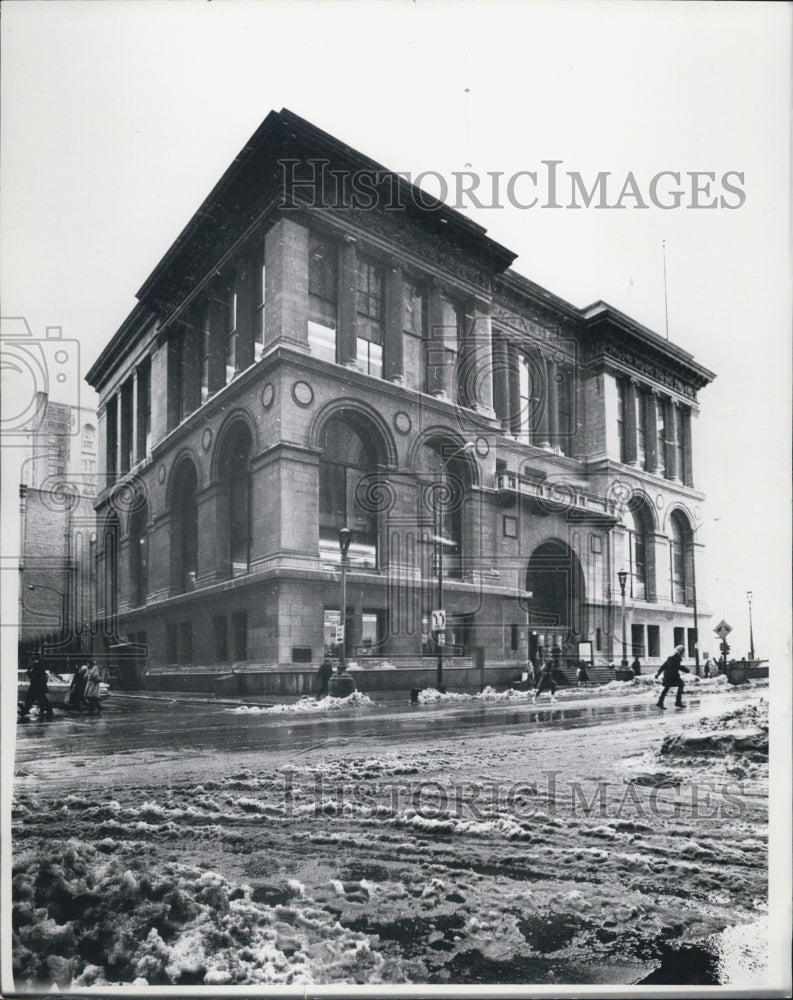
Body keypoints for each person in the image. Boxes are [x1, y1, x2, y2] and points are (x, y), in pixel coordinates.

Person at [654, 644, 689, 709]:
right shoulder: (677, 656)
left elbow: (664, 665)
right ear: (680, 651)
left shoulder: (671, 656)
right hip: (673, 675)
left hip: (668, 674)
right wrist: (686, 670)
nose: (683, 653)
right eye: (683, 651)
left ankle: (660, 702)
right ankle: (677, 702)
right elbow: (677, 666)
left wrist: (658, 674)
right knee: (680, 685)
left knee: (667, 688)